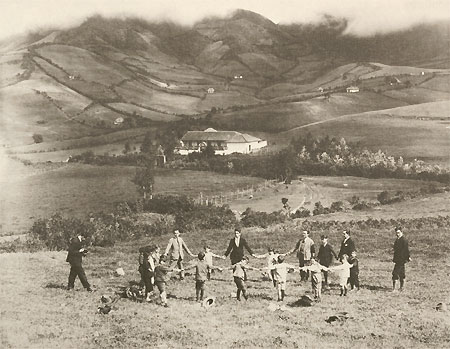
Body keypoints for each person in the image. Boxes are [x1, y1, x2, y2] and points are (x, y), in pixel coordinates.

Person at [392, 227, 411, 292]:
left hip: (401, 259)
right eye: (396, 233)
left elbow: (406, 250)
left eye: (398, 233)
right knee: (401, 273)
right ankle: (401, 288)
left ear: (401, 232)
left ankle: (395, 289)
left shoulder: (404, 240)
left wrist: (408, 257)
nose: (397, 234)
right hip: (398, 259)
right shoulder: (397, 240)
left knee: (395, 273)